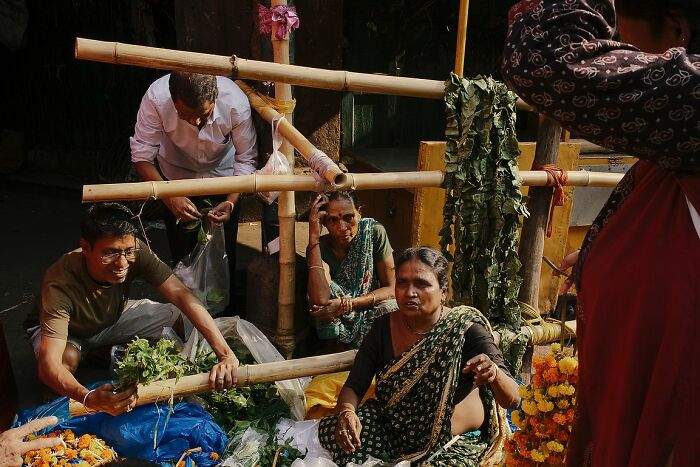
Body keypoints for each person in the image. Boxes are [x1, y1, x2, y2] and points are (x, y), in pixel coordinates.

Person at [502, 0, 700, 465]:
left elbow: (543, 61)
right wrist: (603, 255)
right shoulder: (668, 163)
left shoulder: (692, 107)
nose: (615, 63)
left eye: (623, 51)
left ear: (678, 32)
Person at [23, 202, 239, 416]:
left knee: (182, 318)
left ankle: (103, 352)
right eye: (110, 253)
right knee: (64, 361)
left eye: (128, 252)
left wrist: (225, 354)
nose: (122, 263)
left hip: (112, 316)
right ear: (86, 248)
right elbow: (48, 363)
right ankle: (53, 402)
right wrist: (88, 398)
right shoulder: (59, 284)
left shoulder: (133, 250)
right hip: (69, 332)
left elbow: (180, 294)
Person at [317, 247, 519, 466]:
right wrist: (347, 413)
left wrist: (494, 374)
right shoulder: (383, 328)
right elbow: (355, 386)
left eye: (422, 284)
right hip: (393, 431)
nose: (410, 292)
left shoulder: (465, 331)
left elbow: (512, 399)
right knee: (336, 432)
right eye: (402, 283)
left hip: (449, 442)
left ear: (443, 292)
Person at [130, 71, 259, 314]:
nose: (196, 123)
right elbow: (142, 154)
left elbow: (246, 157)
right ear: (173, 99)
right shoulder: (156, 98)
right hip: (175, 179)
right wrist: (170, 196)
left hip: (225, 177)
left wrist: (231, 202)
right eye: (186, 116)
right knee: (183, 253)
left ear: (216, 97)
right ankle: (188, 316)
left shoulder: (235, 102)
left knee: (223, 252)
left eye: (204, 115)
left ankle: (223, 317)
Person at [306, 191, 396, 349]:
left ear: (359, 213)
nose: (342, 227)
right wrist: (313, 236)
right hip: (334, 317)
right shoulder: (318, 248)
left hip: (368, 308)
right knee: (321, 308)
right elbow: (320, 299)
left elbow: (392, 288)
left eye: (349, 217)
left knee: (392, 308)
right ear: (323, 223)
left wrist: (348, 304)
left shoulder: (373, 232)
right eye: (332, 220)